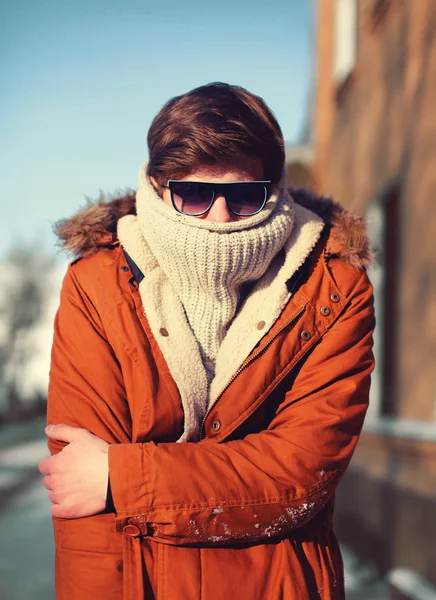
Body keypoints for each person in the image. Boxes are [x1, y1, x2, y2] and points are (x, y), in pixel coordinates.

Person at [38, 82, 375, 600]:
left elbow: (299, 474)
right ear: (156, 186)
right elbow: (84, 513)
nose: (219, 219)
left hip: (281, 586)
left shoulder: (335, 289)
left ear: (276, 186)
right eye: (194, 195)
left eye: (243, 196)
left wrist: (122, 476)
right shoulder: (95, 284)